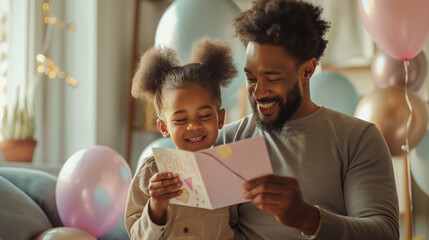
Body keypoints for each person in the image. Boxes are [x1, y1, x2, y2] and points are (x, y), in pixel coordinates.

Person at [216, 0, 399, 239]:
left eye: (272, 78)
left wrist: (308, 218)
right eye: (251, 78)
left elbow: (384, 233)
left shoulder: (358, 140)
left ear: (307, 71)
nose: (259, 92)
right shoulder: (227, 143)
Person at [124, 38, 242, 239]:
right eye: (180, 119)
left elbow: (233, 226)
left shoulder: (228, 168)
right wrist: (155, 207)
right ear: (164, 127)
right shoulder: (151, 172)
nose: (194, 126)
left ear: (221, 118)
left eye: (204, 116)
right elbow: (136, 236)